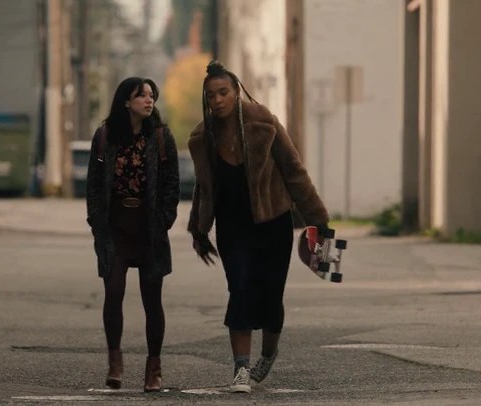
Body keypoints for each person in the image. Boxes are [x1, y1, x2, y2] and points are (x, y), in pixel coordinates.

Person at [187, 61, 330, 393]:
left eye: (223, 92)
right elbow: (204, 188)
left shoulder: (264, 123)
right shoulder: (202, 137)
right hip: (232, 227)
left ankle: (267, 354)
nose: (217, 100)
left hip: (273, 222)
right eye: (211, 96)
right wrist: (198, 230)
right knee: (239, 290)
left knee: (270, 294)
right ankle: (241, 368)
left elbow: (294, 170)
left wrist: (317, 218)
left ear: (236, 92)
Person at [86, 77, 180, 392]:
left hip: (149, 227)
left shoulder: (161, 137)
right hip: (115, 227)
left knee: (152, 298)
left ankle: (154, 369)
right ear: (126, 101)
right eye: (141, 96)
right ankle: (115, 362)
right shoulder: (105, 136)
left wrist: (165, 219)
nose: (148, 100)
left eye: (151, 95)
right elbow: (94, 183)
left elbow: (171, 184)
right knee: (113, 291)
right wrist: (97, 222)